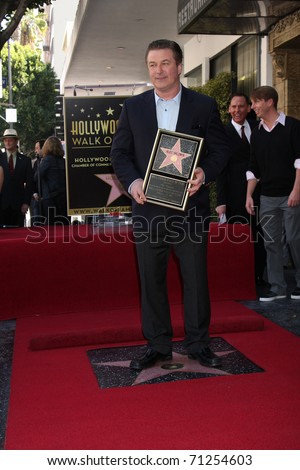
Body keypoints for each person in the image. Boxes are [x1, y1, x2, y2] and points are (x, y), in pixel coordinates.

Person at [110, 39, 231, 370]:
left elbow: (221, 151)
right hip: (147, 211)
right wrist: (133, 182)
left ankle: (198, 344)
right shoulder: (133, 108)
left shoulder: (203, 106)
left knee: (195, 279)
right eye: (152, 64)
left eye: (165, 63)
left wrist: (204, 173)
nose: (158, 70)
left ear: (179, 66)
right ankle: (158, 345)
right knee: (151, 280)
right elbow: (119, 154)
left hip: (191, 211)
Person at [246, 85, 300, 301]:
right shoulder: (256, 134)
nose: (253, 107)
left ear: (269, 102)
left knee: (295, 239)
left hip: (291, 195)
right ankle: (277, 287)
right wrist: (249, 195)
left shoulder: (293, 127)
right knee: (271, 242)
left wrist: (296, 191)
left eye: (256, 102)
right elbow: (253, 168)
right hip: (267, 196)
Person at [216, 93, 267, 286]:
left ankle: (258, 277)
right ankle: (238, 280)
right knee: (238, 238)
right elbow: (220, 169)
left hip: (260, 192)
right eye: (234, 107)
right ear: (229, 109)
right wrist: (221, 202)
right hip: (234, 195)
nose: (237, 110)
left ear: (248, 108)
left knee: (260, 237)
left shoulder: (258, 127)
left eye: (241, 106)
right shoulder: (222, 133)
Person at [0, 128, 34, 227]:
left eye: (10, 140)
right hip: (2, 204)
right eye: (5, 140)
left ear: (16, 141)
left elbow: (29, 183)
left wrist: (26, 203)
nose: (7, 142)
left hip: (19, 205)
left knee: (17, 234)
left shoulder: (25, 160)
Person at [38, 136, 69, 225]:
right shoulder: (64, 162)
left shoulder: (47, 160)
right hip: (64, 197)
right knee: (64, 224)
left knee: (51, 226)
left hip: (50, 198)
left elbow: (37, 176)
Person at [30, 139, 45, 225]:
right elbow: (33, 179)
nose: (35, 150)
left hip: (46, 198)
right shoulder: (36, 163)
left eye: (37, 148)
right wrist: (35, 193)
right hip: (37, 199)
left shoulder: (48, 161)